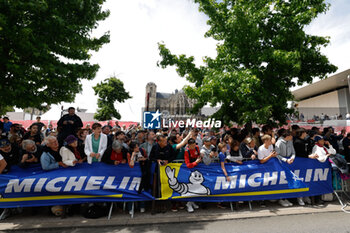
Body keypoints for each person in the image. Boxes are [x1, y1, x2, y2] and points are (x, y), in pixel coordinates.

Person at [183, 138, 201, 213]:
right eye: (192, 146)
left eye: (194, 145)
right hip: (189, 171)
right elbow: (188, 165)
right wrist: (196, 162)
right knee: (190, 187)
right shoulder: (186, 152)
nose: (194, 147)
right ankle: (188, 204)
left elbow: (199, 155)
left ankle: (192, 201)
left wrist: (200, 157)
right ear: (188, 145)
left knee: (196, 187)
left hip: (197, 170)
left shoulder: (197, 148)